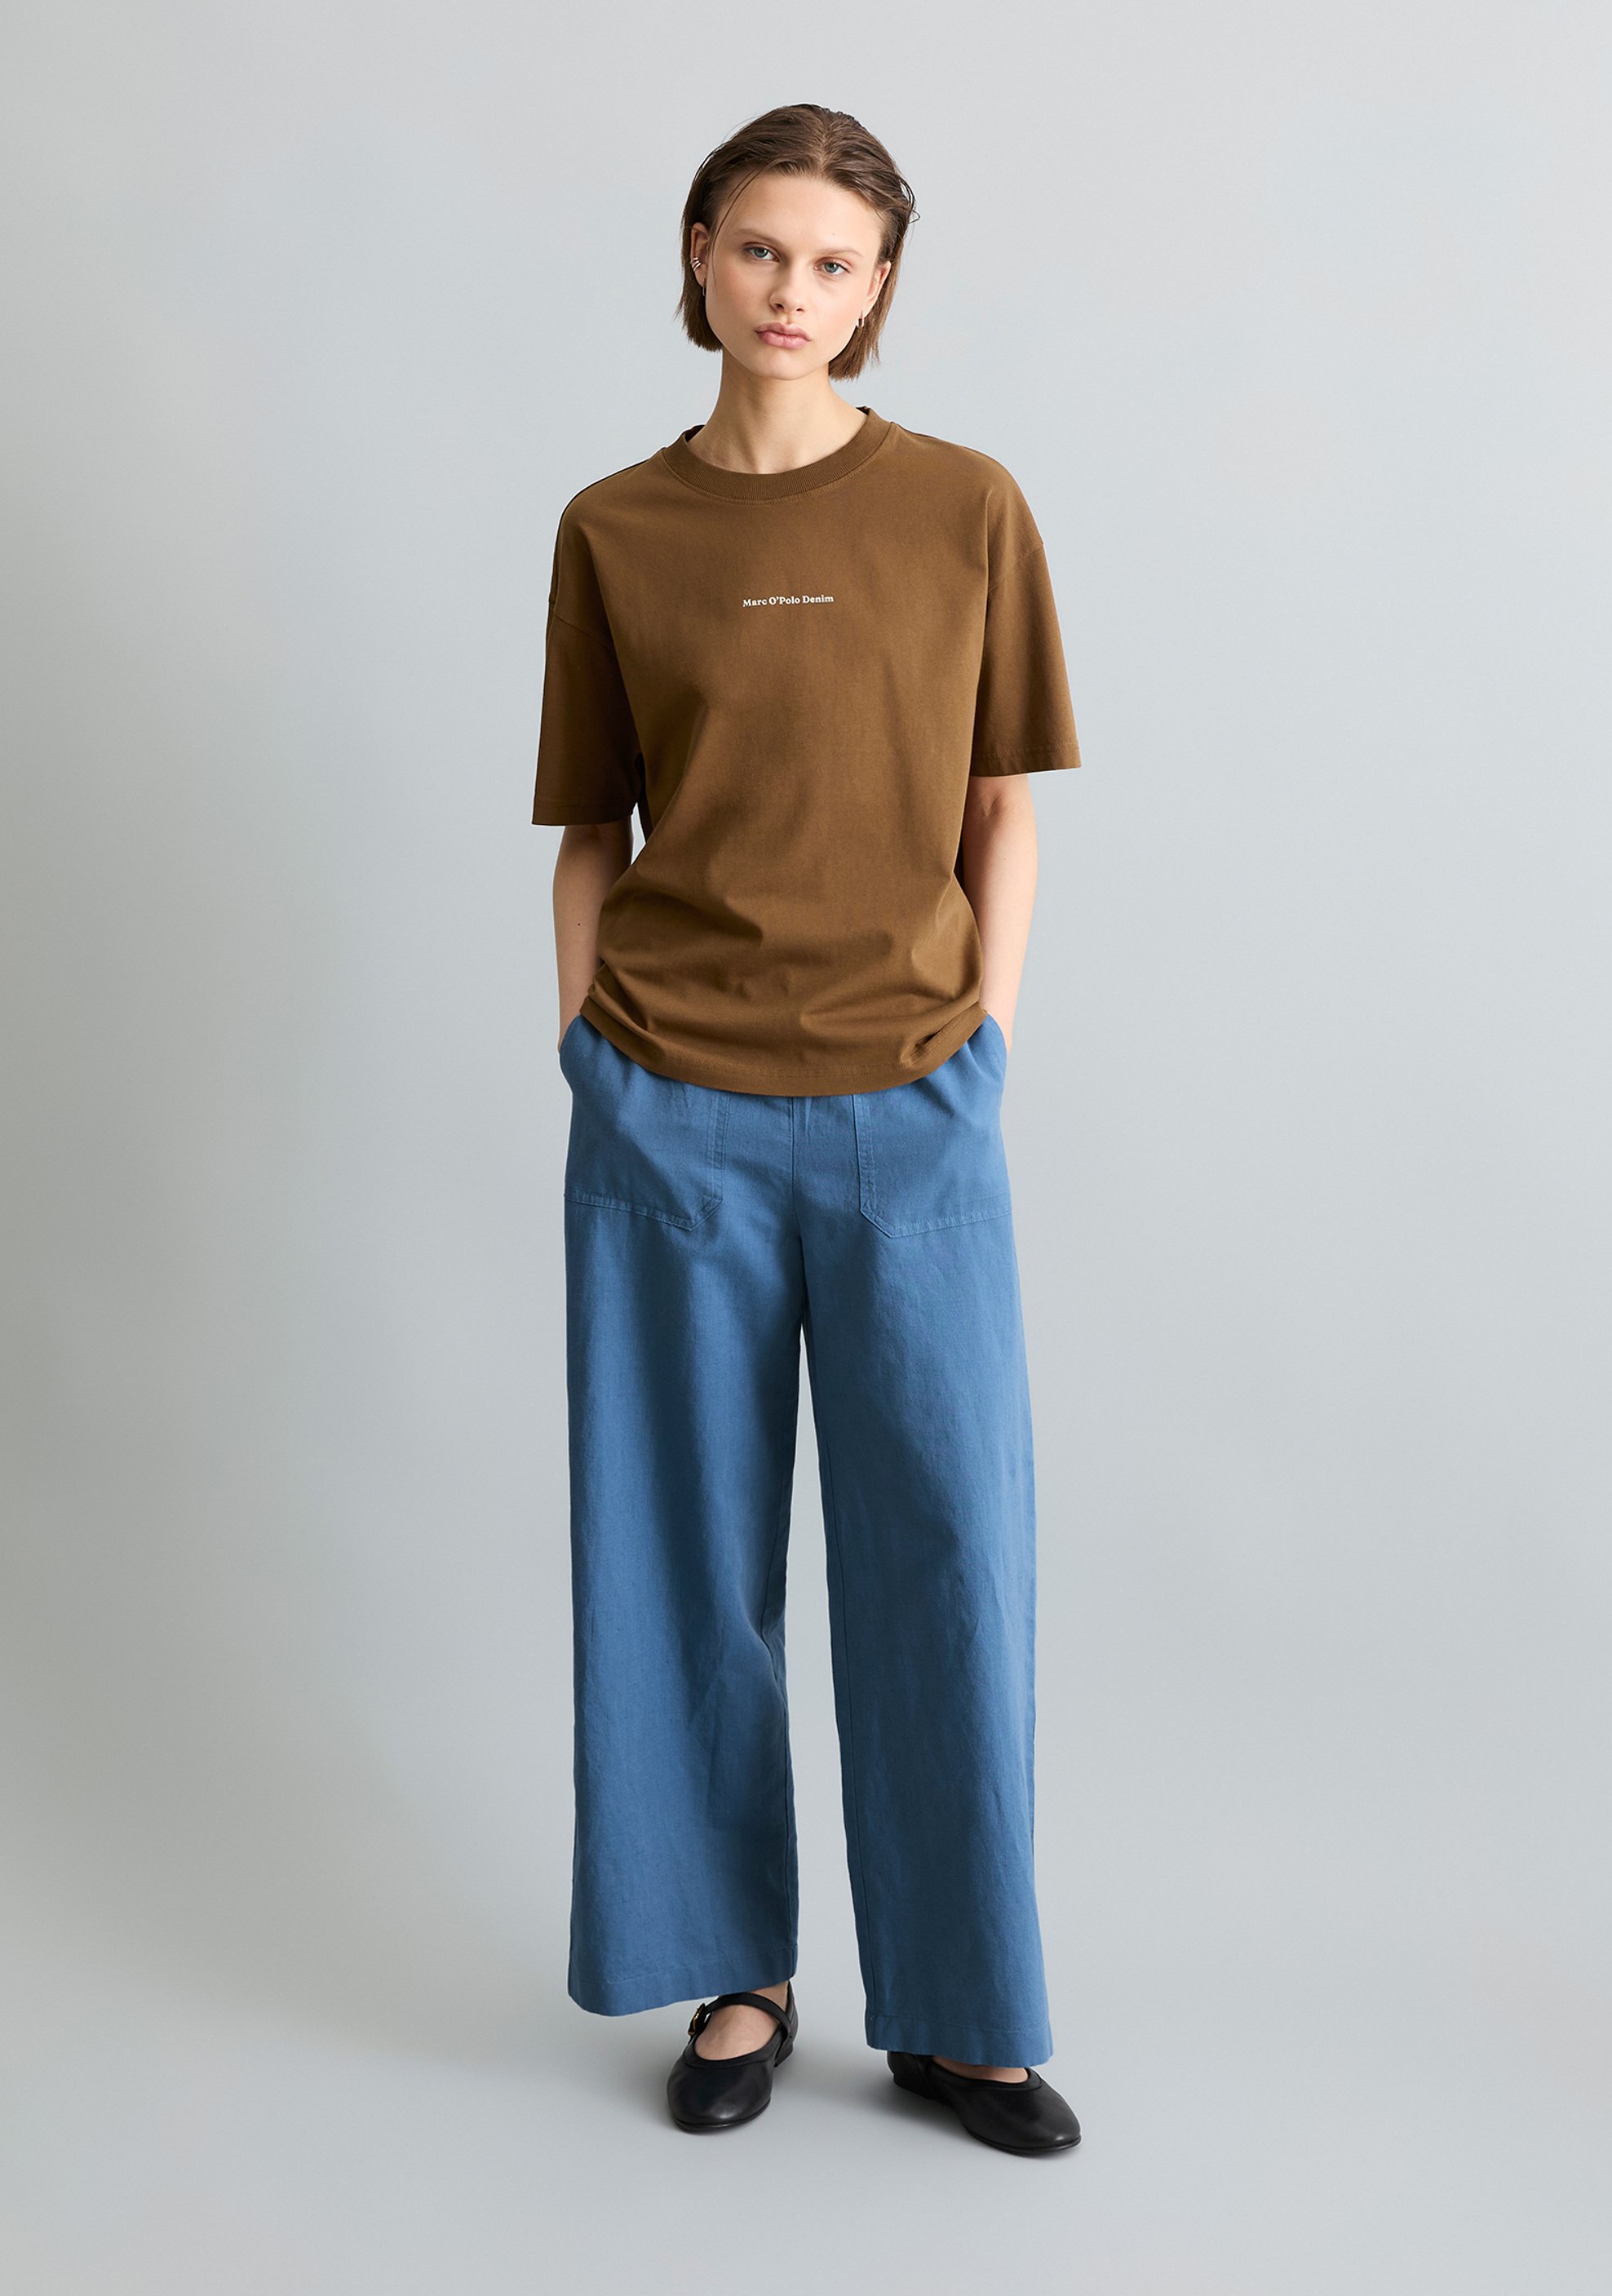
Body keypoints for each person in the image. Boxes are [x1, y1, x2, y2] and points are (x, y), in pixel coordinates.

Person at [532, 103, 1083, 2157]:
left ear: (879, 292)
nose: (792, 292)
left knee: (948, 1555)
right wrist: (587, 1047)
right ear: (699, 255)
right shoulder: (615, 528)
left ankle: (961, 2012)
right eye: (760, 249)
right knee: (674, 1558)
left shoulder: (964, 509)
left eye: (835, 263)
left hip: (909, 1109)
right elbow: (590, 827)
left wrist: (981, 1047)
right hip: (667, 1110)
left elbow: (1004, 810)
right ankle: (733, 1976)